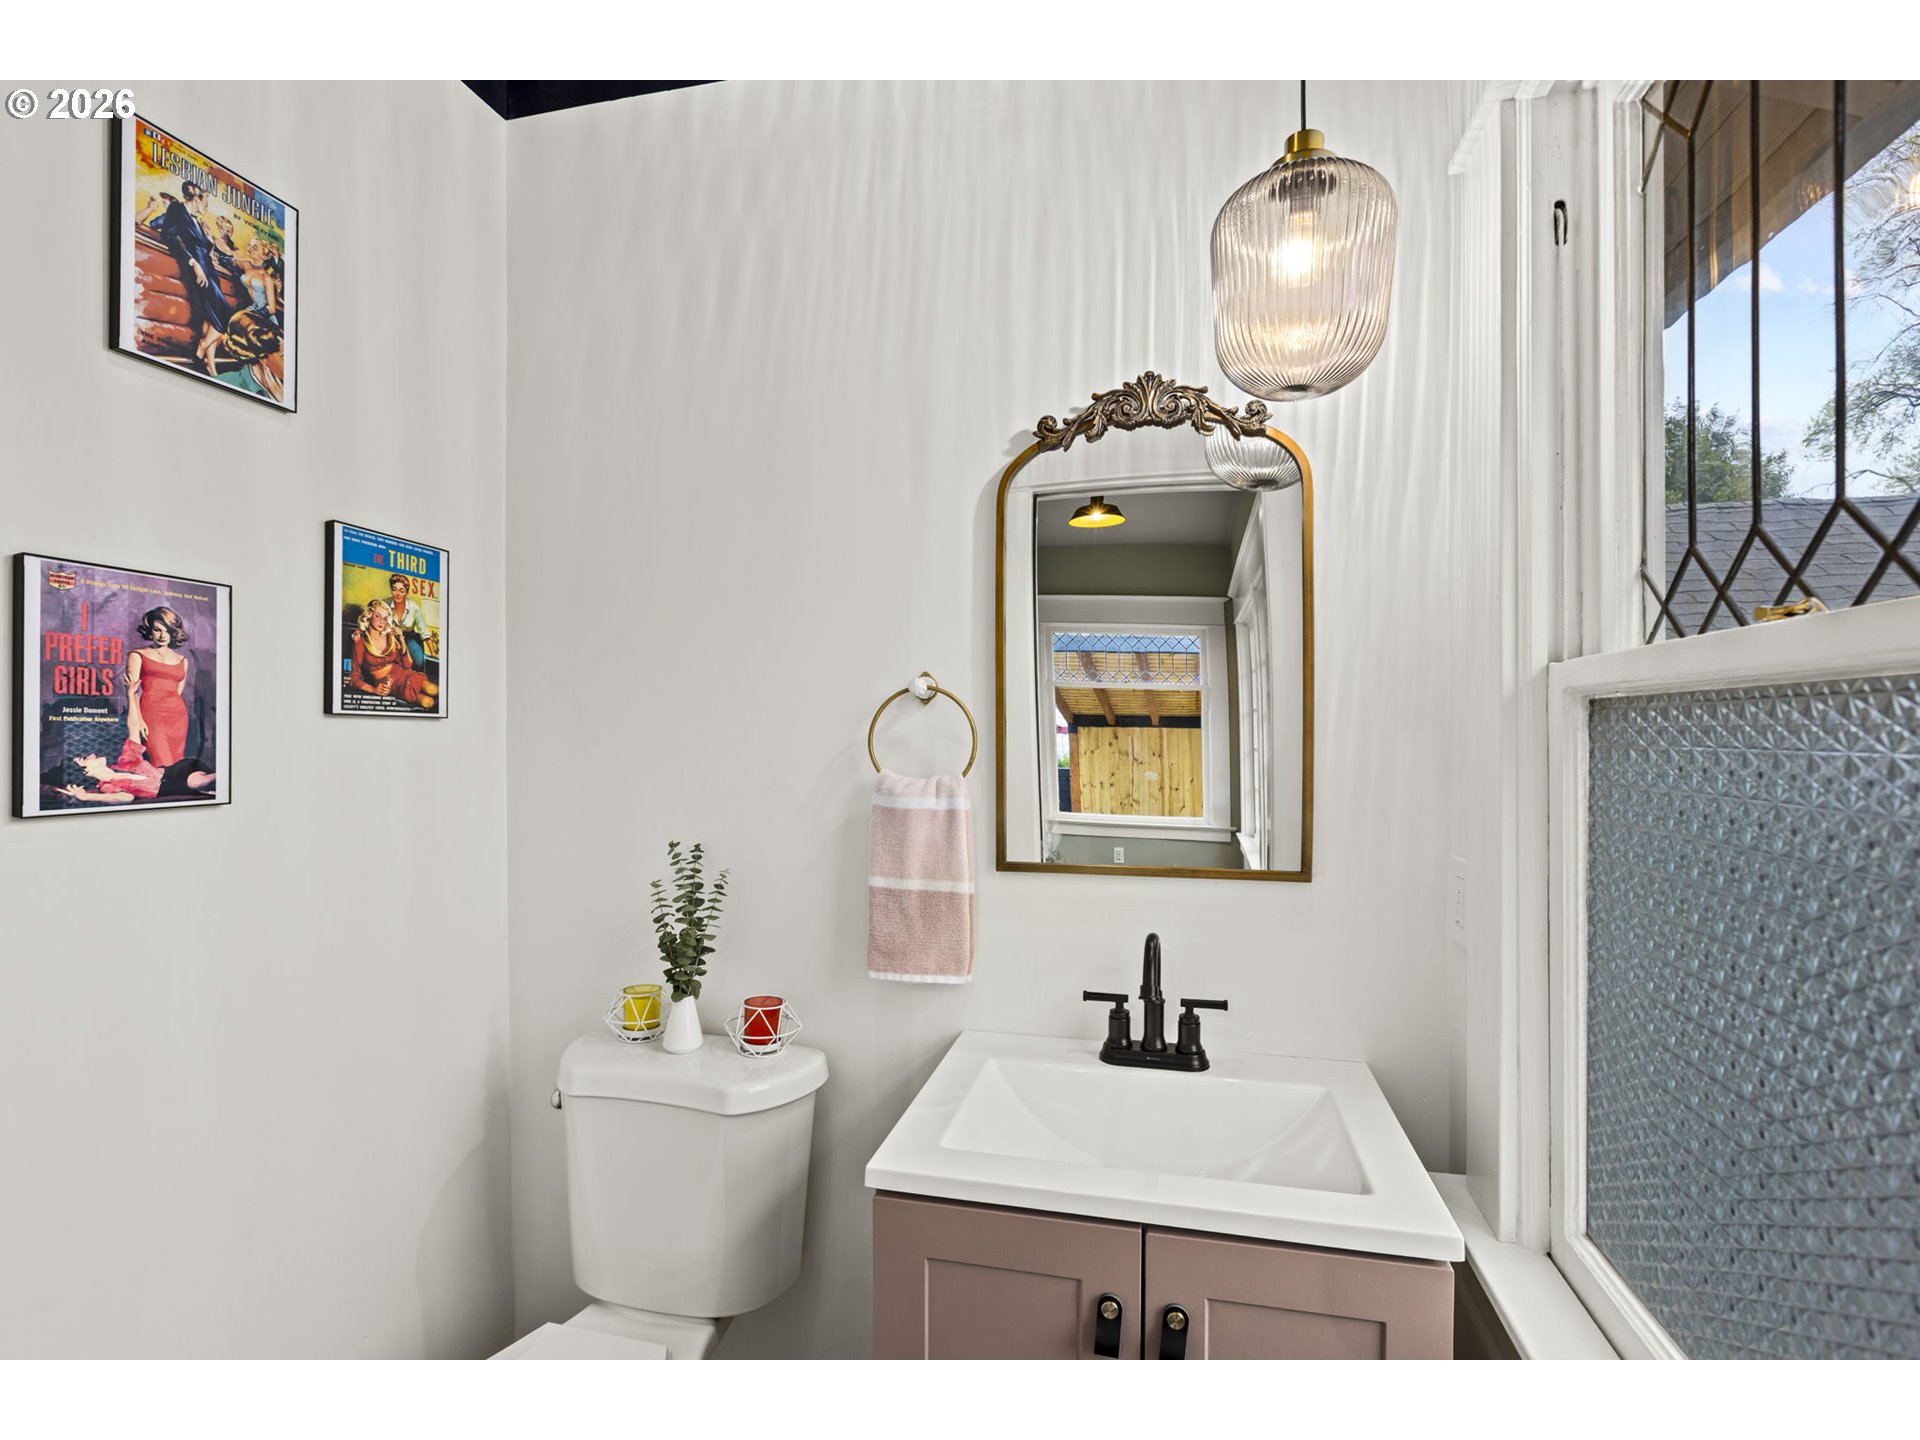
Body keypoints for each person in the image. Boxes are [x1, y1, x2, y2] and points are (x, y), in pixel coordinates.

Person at [138, 181, 232, 376]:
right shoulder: (177, 210)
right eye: (204, 200)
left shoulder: (197, 220)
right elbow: (169, 238)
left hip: (209, 271)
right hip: (198, 271)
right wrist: (193, 263)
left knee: (211, 321)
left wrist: (210, 247)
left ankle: (209, 365)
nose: (206, 206)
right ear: (195, 198)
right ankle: (200, 350)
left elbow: (202, 245)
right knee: (226, 318)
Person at [127, 607, 192, 767]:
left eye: (167, 630)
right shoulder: (137, 655)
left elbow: (177, 693)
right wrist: (139, 720)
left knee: (176, 764)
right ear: (150, 631)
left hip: (178, 717)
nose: (163, 635)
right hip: (151, 713)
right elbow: (132, 692)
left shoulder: (182, 660)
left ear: (174, 632)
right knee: (162, 763)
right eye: (157, 630)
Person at [55, 742, 214, 805]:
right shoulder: (107, 787)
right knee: (197, 783)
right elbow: (126, 798)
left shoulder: (124, 763)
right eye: (84, 758)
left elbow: (133, 728)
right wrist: (88, 796)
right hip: (175, 786)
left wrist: (131, 695)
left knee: (198, 781)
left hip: (179, 769)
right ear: (86, 771)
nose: (90, 755)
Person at [350, 599, 438, 709]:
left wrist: (401, 639)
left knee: (433, 689)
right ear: (369, 615)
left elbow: (407, 665)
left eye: (385, 618)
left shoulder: (390, 637)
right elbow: (354, 679)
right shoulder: (361, 642)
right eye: (378, 616)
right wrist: (373, 689)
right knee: (427, 702)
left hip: (404, 675)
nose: (382, 621)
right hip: (391, 686)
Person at [387, 573, 433, 666]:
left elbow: (424, 632)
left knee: (418, 661)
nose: (397, 594)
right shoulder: (384, 604)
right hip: (390, 637)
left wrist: (433, 654)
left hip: (410, 638)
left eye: (402, 591)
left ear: (406, 592)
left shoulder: (414, 607)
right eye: (394, 589)